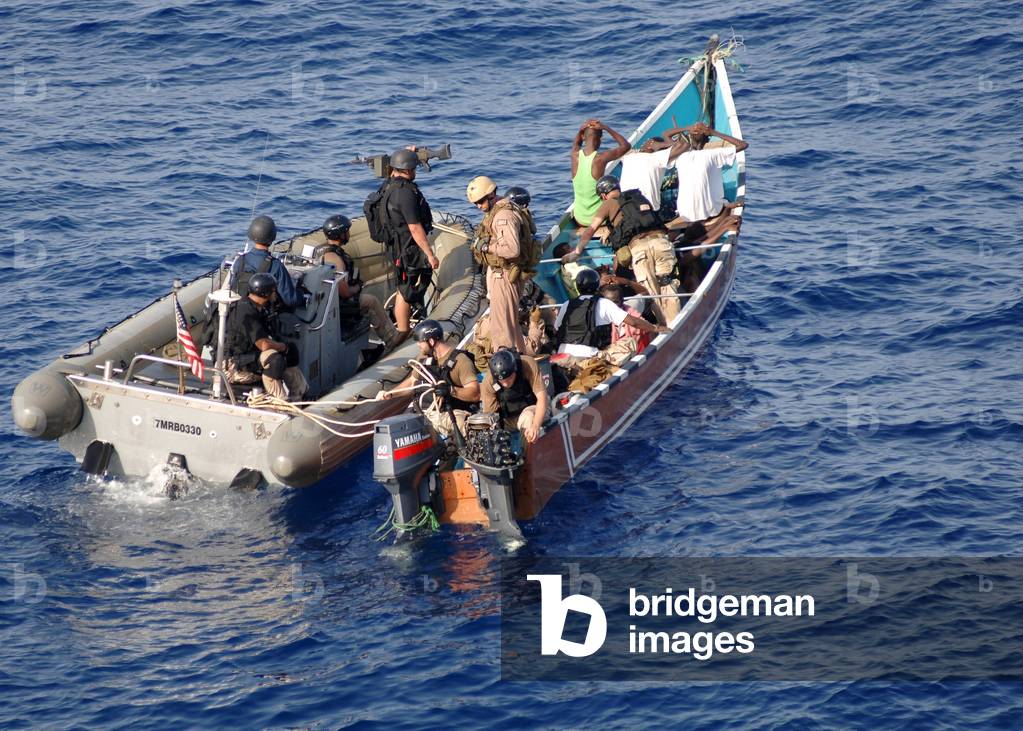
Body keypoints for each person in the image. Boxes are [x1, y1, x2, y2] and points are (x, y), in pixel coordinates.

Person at [562, 176, 683, 324]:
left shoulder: (608, 203)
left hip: (639, 249)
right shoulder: (638, 198)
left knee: (650, 291)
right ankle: (676, 323)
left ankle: (664, 327)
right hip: (661, 243)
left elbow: (591, 230)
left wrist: (577, 252)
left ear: (603, 195)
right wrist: (610, 229)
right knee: (667, 283)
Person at [316, 215, 404, 352]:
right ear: (340, 234)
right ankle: (393, 339)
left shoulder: (321, 251)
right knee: (371, 302)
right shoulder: (335, 258)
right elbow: (344, 291)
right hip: (338, 306)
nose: (348, 234)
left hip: (327, 303)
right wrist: (356, 287)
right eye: (346, 231)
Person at [467, 175, 535, 353]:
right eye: (476, 203)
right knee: (510, 323)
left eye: (481, 201)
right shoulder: (502, 209)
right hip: (504, 273)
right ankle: (521, 355)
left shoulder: (502, 216)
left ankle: (505, 359)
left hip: (504, 275)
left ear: (491, 195)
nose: (479, 206)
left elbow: (512, 250)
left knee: (501, 327)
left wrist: (487, 247)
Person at [378, 147, 441, 337]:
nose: (415, 172)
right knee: (407, 292)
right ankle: (403, 333)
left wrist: (406, 152)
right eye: (413, 168)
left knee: (402, 289)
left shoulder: (388, 186)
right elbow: (415, 227)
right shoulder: (405, 194)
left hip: (396, 247)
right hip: (408, 250)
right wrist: (430, 255)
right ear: (408, 170)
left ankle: (402, 330)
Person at [381, 319, 480, 437]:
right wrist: (390, 394)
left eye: (420, 342)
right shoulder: (423, 358)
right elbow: (413, 382)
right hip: (422, 414)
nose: (418, 345)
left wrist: (451, 390)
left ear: (431, 341)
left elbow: (475, 394)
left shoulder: (461, 361)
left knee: (461, 426)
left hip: (448, 416)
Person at [553, 268, 667, 366]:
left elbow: (557, 328)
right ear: (597, 286)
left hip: (563, 354)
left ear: (577, 287)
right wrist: (655, 328)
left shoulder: (566, 304)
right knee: (630, 343)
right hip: (589, 356)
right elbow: (633, 322)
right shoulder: (603, 303)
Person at [222, 272, 308, 401]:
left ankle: (300, 394)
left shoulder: (258, 308)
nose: (275, 294)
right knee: (274, 360)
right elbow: (264, 344)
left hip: (248, 358)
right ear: (265, 294)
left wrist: (286, 348)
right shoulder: (245, 311)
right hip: (233, 366)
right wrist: (283, 347)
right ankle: (280, 401)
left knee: (291, 352)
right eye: (273, 291)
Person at [668, 122, 748, 228]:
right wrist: (714, 132)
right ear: (708, 140)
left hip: (685, 213)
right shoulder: (713, 154)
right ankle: (725, 209)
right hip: (711, 212)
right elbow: (743, 145)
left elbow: (666, 134)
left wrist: (687, 127)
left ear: (690, 137)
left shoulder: (679, 156)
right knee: (726, 201)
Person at [230, 214, 301, 309]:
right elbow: (290, 300)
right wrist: (301, 293)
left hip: (239, 309)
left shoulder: (240, 260)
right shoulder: (276, 265)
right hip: (261, 315)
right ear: (272, 237)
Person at [570, 119, 631, 229]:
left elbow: (576, 144)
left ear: (583, 137)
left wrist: (581, 131)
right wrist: (606, 128)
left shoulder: (574, 156)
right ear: (599, 140)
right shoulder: (601, 159)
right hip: (598, 219)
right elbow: (626, 146)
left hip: (580, 219)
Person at [481, 348, 549, 444]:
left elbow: (542, 399)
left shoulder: (528, 364)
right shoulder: (488, 382)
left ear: (515, 370)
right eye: (502, 381)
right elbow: (490, 415)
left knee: (527, 418)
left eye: (508, 379)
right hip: (509, 419)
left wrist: (535, 426)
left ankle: (527, 456)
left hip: (534, 410)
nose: (505, 384)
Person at [617, 134, 687, 212]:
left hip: (626, 206)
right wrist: (661, 145)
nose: (643, 144)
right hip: (650, 209)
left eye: (646, 142)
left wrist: (606, 128)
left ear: (650, 144)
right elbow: (685, 145)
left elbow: (624, 145)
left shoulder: (628, 157)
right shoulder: (657, 158)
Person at [599, 282, 651, 354]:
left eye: (615, 302)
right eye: (607, 303)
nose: (610, 306)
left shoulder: (631, 311)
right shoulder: (596, 316)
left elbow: (641, 324)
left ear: (622, 301)